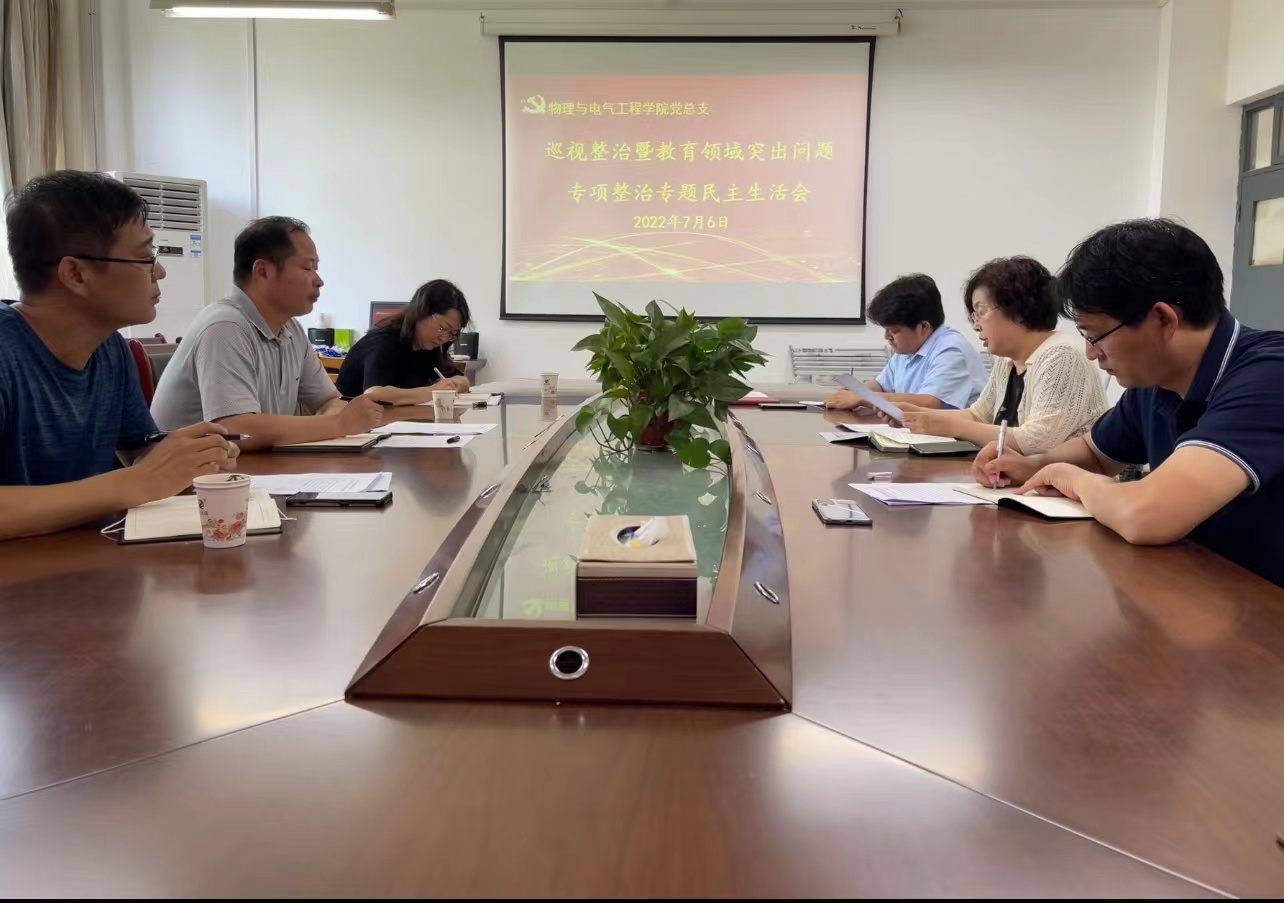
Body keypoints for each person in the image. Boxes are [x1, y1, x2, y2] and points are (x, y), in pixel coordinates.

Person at [974, 219, 1284, 588]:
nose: (1091, 353)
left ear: (1163, 320)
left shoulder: (1270, 375)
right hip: (1201, 584)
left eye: (1094, 335)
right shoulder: (1157, 377)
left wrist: (1069, 478)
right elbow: (1096, 452)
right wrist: (1032, 466)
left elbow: (1148, 514)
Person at [0, 170, 236, 541]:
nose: (160, 271)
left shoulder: (110, 348)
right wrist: (134, 483)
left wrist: (190, 459)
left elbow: (137, 450)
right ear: (76, 274)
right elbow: (134, 479)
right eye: (145, 257)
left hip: (85, 559)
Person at [151, 216, 382, 446]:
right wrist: (337, 424)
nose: (319, 280)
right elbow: (236, 432)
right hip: (193, 469)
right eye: (308, 268)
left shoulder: (290, 329)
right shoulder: (225, 327)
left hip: (251, 464)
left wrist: (335, 418)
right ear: (262, 271)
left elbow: (330, 401)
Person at [895, 256, 1107, 454]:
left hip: (1064, 480)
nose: (976, 325)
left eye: (981, 312)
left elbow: (1037, 442)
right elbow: (978, 415)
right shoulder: (1008, 359)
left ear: (1018, 309)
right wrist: (918, 416)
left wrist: (951, 426)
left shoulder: (1062, 355)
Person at [826, 274, 985, 411]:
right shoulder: (908, 349)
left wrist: (864, 397)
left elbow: (928, 403)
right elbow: (880, 385)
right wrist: (854, 391)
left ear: (923, 327)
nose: (887, 337)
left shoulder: (951, 350)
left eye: (894, 331)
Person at [335, 279, 472, 404]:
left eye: (452, 334)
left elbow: (460, 379)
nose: (444, 338)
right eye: (443, 328)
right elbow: (375, 395)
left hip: (395, 420)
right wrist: (433, 391)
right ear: (421, 312)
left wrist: (457, 384)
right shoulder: (384, 344)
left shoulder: (427, 348)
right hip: (353, 421)